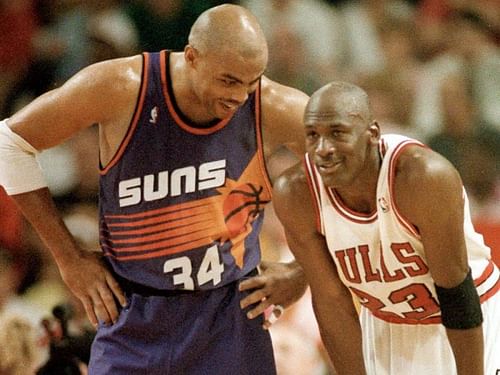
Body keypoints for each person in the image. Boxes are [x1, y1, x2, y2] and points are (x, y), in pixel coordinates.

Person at [0, 4, 309, 374]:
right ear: (191, 57)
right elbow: (9, 144)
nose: (240, 96)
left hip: (228, 315)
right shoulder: (122, 87)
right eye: (228, 80)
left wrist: (302, 271)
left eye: (252, 80)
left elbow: (359, 173)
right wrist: (68, 257)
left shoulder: (272, 106)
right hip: (133, 314)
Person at [272, 81, 500, 374]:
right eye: (313, 136)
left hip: (469, 321)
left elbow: (455, 293)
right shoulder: (296, 192)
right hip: (386, 325)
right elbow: (332, 306)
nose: (323, 149)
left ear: (372, 134)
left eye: (337, 133)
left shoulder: (423, 177)